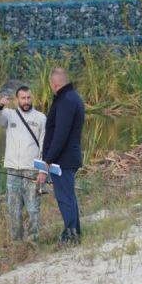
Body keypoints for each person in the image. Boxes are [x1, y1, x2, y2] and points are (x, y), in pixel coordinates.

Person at [0, 85, 46, 243]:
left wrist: (43, 171)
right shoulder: (9, 115)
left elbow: (44, 146)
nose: (26, 101)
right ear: (17, 100)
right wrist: (0, 105)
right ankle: (17, 243)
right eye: (23, 98)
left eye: (29, 97)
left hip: (32, 171)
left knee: (33, 209)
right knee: (13, 210)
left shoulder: (41, 118)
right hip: (12, 170)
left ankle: (33, 242)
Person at [37, 67, 85, 244]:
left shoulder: (65, 100)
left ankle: (70, 235)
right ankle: (75, 232)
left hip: (63, 160)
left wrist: (47, 160)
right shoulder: (74, 97)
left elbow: (60, 134)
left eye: (51, 85)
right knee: (69, 196)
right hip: (68, 157)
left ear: (55, 84)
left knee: (64, 197)